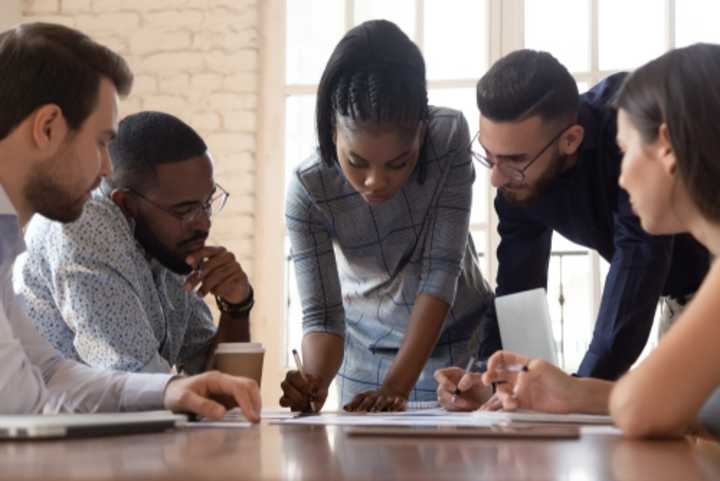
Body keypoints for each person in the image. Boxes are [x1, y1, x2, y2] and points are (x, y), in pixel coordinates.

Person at [436, 43, 720, 439]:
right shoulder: (516, 173)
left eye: (627, 151)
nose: (496, 179)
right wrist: (497, 380)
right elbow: (518, 284)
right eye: (488, 156)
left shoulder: (626, 114)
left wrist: (575, 390)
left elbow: (639, 260)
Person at [0, 22, 260, 421]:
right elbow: (21, 404)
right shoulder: (84, 225)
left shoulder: (5, 238)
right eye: (102, 142)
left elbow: (47, 374)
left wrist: (171, 388)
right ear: (47, 127)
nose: (107, 168)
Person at [279, 20, 498, 413]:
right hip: (363, 356)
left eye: (399, 163)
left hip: (459, 347)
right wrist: (314, 383)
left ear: (422, 131)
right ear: (332, 132)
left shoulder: (447, 137)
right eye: (356, 162)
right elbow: (322, 318)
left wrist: (396, 386)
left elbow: (439, 274)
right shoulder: (308, 190)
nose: (375, 181)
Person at [14, 111, 253, 375]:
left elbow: (223, 389)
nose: (204, 223)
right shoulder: (83, 229)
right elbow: (144, 390)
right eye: (185, 210)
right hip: (37, 413)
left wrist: (237, 306)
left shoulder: (169, 245)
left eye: (207, 202)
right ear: (126, 204)